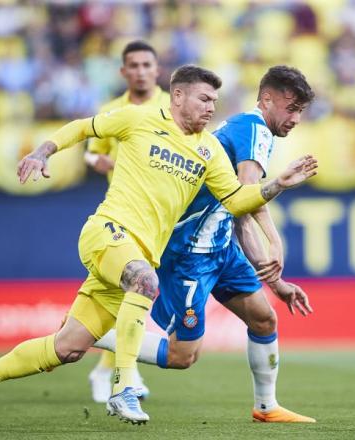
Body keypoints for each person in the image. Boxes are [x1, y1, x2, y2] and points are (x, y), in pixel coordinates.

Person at [0, 65, 318, 426]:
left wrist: (277, 184)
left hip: (142, 252)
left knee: (67, 348)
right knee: (144, 282)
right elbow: (83, 128)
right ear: (177, 96)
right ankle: (124, 388)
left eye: (214, 102)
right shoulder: (141, 119)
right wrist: (42, 150)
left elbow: (237, 200)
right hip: (107, 233)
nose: (210, 108)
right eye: (203, 99)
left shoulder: (210, 151)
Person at [94, 65, 317, 423]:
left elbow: (238, 214)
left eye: (301, 112)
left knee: (264, 319)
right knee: (184, 356)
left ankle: (266, 407)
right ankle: (97, 332)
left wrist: (276, 283)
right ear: (267, 99)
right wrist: (275, 244)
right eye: (291, 109)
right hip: (189, 254)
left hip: (220, 245)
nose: (295, 119)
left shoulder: (246, 129)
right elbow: (247, 197)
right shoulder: (254, 128)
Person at [85, 40, 170, 404]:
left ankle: (114, 367)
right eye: (132, 65)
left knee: (137, 298)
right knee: (131, 294)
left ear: (157, 69)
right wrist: (98, 163)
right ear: (123, 72)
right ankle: (118, 371)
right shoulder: (111, 110)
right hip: (122, 215)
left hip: (162, 217)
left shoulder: (173, 106)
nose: (139, 71)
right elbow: (91, 153)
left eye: (146, 64)